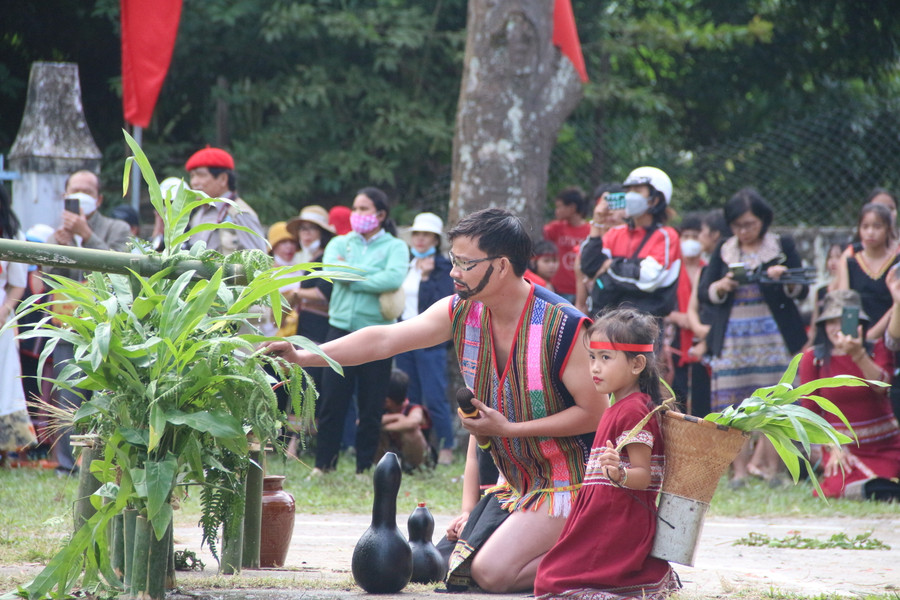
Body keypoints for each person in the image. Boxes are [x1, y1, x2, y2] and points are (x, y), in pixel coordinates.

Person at [264, 207, 605, 593]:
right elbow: (384, 339)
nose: (454, 272)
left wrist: (509, 429)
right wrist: (305, 354)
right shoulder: (462, 310)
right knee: (447, 567)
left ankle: (612, 552)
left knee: (492, 575)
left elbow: (595, 414)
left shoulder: (564, 324)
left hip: (572, 482)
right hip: (515, 486)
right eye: (453, 261)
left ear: (503, 265)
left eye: (465, 263)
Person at [534, 307, 679, 600]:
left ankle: (639, 577)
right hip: (603, 516)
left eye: (605, 358)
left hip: (619, 523)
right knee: (552, 575)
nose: (595, 368)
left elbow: (644, 476)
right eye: (592, 358)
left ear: (637, 363)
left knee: (553, 581)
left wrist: (619, 473)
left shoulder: (636, 409)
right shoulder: (617, 406)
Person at [698, 188, 808, 487]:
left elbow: (802, 288)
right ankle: (740, 472)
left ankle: (774, 471)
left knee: (775, 404)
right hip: (732, 342)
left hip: (774, 341)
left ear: (763, 220)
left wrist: (782, 276)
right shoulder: (725, 249)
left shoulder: (781, 246)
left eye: (749, 225)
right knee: (732, 407)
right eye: (737, 226)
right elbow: (705, 293)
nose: (743, 232)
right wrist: (722, 285)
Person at [305, 187, 409, 475]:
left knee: (372, 405)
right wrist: (367, 276)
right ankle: (323, 465)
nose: (357, 214)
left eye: (364, 209)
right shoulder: (340, 242)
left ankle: (364, 467)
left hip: (379, 334)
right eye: (356, 208)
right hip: (339, 329)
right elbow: (330, 271)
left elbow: (393, 278)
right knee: (331, 401)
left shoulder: (395, 247)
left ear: (381, 214)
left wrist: (351, 274)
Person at [48, 170, 132, 476]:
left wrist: (86, 234)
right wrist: (60, 245)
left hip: (105, 327)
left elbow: (120, 266)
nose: (80, 196)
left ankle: (102, 462)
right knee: (67, 392)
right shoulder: (58, 231)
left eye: (86, 191)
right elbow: (43, 272)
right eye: (74, 191)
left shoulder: (117, 227)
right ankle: (65, 465)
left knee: (104, 395)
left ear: (98, 199)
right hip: (67, 325)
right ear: (65, 196)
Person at [799, 290, 900, 501]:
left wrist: (858, 354)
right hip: (842, 448)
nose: (836, 328)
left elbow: (882, 387)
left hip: (885, 445)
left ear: (858, 323)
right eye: (830, 322)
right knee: (837, 490)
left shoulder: (877, 349)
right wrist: (832, 447)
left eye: (843, 321)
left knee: (885, 484)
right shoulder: (813, 359)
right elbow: (810, 413)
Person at [394, 212, 455, 465]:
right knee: (411, 394)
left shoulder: (443, 267)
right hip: (403, 335)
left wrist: (428, 277)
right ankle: (419, 446)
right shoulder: (406, 263)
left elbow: (443, 303)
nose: (420, 239)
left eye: (426, 235)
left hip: (430, 339)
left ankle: (446, 448)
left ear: (435, 239)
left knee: (435, 393)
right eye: (416, 234)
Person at [580, 167, 682, 319]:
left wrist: (609, 265)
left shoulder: (666, 236)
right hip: (606, 323)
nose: (630, 196)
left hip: (644, 326)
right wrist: (597, 222)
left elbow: (647, 277)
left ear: (655, 199)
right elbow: (589, 266)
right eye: (629, 190)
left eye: (638, 190)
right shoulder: (616, 233)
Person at [0, 183, 37, 465]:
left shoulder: (13, 234)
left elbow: (17, 284)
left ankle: (4, 448)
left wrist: (5, 311)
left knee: (4, 384)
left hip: (0, 318)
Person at [666, 214, 710, 416]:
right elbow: (658, 307)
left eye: (695, 236)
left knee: (704, 396)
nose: (690, 241)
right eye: (686, 236)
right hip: (675, 341)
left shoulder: (709, 270)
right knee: (677, 394)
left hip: (704, 340)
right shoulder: (670, 271)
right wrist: (676, 317)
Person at [184, 146, 267, 253]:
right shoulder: (198, 215)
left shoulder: (239, 214)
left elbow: (259, 261)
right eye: (192, 176)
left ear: (223, 179)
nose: (194, 182)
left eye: (201, 175)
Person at [575, 182, 625, 314]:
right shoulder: (586, 249)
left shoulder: (635, 240)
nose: (610, 210)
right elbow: (581, 304)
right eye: (605, 204)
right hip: (598, 318)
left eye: (615, 204)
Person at [376, 368, 433, 470]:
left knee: (411, 433)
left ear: (387, 401)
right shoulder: (381, 410)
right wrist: (397, 417)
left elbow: (411, 423)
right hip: (389, 454)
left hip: (418, 458)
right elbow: (362, 423)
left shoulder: (415, 409)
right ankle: (379, 467)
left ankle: (416, 468)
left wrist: (380, 425)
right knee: (373, 432)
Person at [543, 186, 591, 302]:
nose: (556, 211)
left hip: (580, 290)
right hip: (557, 288)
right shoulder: (555, 228)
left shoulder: (590, 230)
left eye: (560, 207)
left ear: (572, 208)